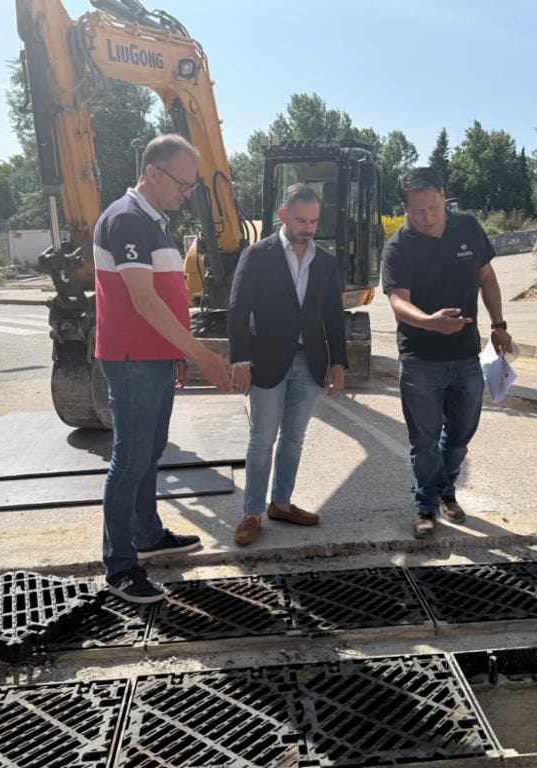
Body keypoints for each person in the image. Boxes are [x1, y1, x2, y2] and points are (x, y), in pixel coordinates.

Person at [94, 134, 233, 603]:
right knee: (130, 460)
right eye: (182, 183)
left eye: (191, 185)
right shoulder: (127, 220)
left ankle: (147, 535)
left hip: (154, 357)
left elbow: (166, 298)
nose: (187, 193)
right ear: (153, 172)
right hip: (132, 359)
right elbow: (145, 301)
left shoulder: (155, 222)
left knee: (149, 452)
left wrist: (174, 352)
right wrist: (201, 353)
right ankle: (119, 565)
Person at [381, 168, 513, 539]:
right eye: (417, 211)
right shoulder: (398, 247)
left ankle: (445, 487)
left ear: (443, 196)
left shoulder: (467, 227)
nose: (427, 217)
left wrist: (499, 325)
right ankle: (427, 503)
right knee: (423, 441)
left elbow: (487, 278)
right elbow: (397, 301)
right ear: (405, 208)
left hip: (466, 356)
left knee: (460, 434)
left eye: (433, 207)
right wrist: (429, 322)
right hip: (420, 361)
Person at [227, 183, 347, 546]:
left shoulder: (324, 261)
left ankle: (281, 503)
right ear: (283, 216)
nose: (308, 228)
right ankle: (252, 512)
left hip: (310, 362)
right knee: (262, 438)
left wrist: (338, 362)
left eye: (313, 221)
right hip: (267, 361)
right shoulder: (257, 255)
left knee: (294, 437)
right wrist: (240, 360)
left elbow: (333, 315)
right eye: (300, 220)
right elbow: (237, 310)